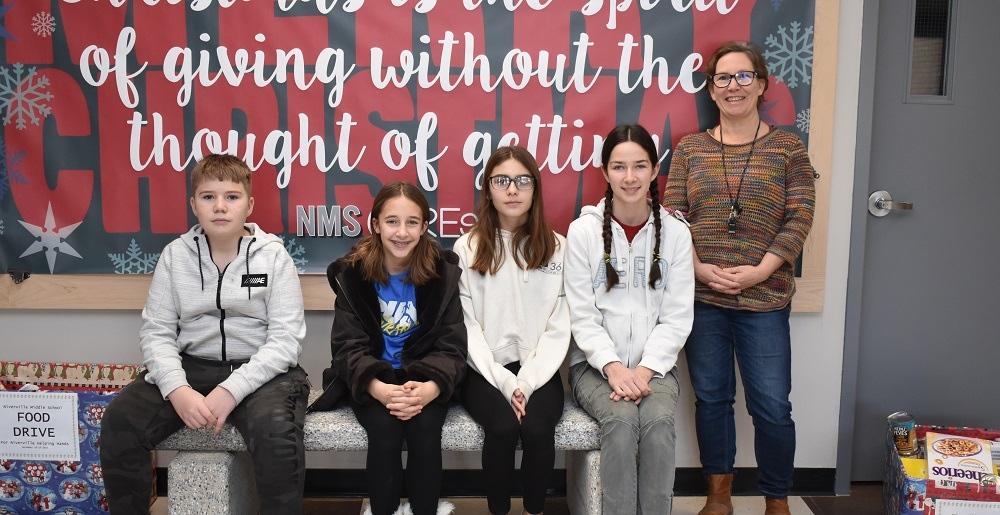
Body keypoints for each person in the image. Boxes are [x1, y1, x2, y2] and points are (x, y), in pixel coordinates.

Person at [100, 154, 310, 514]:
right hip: (191, 366)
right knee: (120, 421)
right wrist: (177, 389)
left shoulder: (274, 256)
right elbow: (157, 332)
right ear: (193, 204)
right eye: (209, 197)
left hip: (262, 373)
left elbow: (286, 341)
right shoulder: (175, 256)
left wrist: (231, 390)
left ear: (249, 204)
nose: (220, 207)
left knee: (277, 434)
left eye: (232, 196)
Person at [663, 41, 816, 515]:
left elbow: (799, 216)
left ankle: (777, 500)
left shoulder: (788, 147)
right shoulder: (689, 148)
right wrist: (697, 267)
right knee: (711, 400)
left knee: (771, 405)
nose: (734, 86)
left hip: (766, 299)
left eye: (743, 76)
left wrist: (761, 270)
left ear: (762, 83)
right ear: (711, 90)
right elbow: (672, 214)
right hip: (703, 299)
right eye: (723, 78)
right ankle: (718, 496)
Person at [564, 124, 695, 515]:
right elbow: (582, 316)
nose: (630, 177)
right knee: (620, 423)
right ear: (604, 172)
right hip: (593, 366)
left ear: (655, 170)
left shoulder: (675, 234)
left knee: (657, 427)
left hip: (656, 368)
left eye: (640, 166)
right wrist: (615, 368)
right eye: (619, 167)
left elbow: (677, 316)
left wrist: (646, 370)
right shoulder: (583, 232)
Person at [317, 181, 466, 515]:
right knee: (384, 435)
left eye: (412, 222)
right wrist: (378, 389)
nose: (402, 232)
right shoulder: (352, 276)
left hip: (423, 378)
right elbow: (346, 348)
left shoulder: (443, 275)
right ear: (376, 225)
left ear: (425, 226)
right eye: (392, 221)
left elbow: (452, 345)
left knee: (425, 433)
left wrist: (431, 388)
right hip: (374, 379)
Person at [454, 146, 569, 515]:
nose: (513, 190)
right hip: (484, 372)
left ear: (535, 189)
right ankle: (499, 510)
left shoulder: (557, 247)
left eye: (523, 181)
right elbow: (467, 327)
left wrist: (528, 381)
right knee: (502, 429)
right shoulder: (467, 248)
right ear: (488, 189)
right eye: (501, 181)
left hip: (540, 371)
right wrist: (505, 382)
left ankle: (535, 509)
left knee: (537, 431)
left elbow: (559, 326)